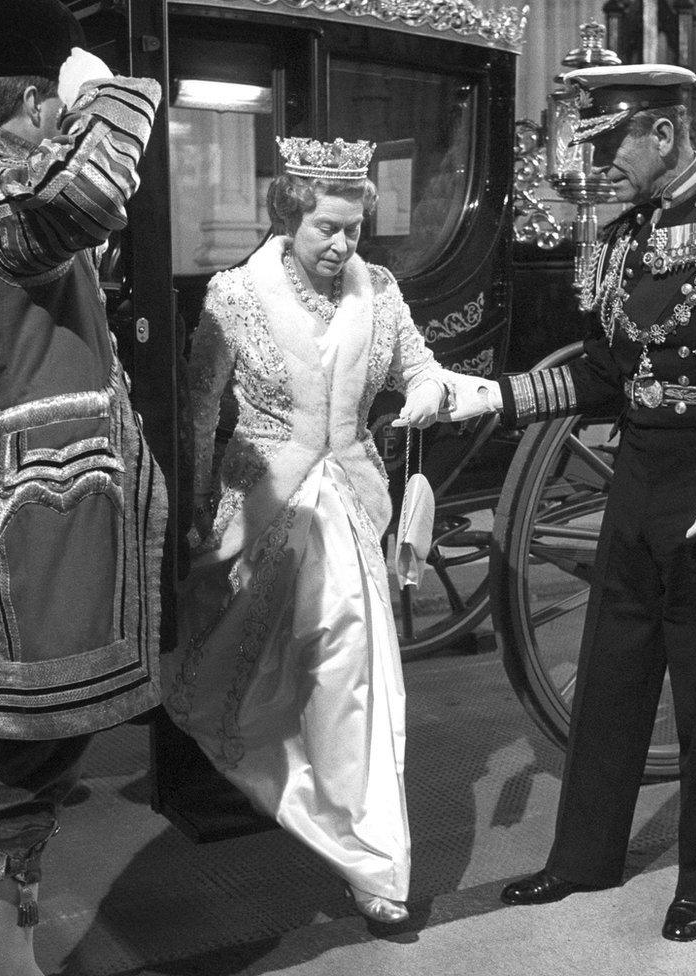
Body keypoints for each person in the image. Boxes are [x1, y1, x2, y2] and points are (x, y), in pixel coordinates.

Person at [446, 64, 696, 941]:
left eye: (611, 142)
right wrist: (498, 398)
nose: (600, 164)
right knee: (613, 680)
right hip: (640, 481)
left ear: (663, 132)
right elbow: (605, 376)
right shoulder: (617, 241)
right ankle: (583, 857)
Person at [0, 2, 166, 973]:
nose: (62, 120)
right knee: (12, 770)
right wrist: (108, 85)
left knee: (27, 764)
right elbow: (96, 184)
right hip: (36, 525)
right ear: (24, 98)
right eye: (53, 101)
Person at [162, 136, 448, 924]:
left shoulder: (380, 291)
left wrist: (423, 390)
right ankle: (303, 800)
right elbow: (196, 413)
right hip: (260, 509)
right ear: (289, 215)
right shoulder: (235, 295)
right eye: (327, 227)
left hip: (351, 512)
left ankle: (370, 857)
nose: (343, 244)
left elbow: (418, 365)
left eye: (354, 228)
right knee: (253, 677)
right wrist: (190, 517)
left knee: (353, 676)